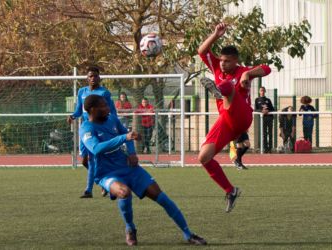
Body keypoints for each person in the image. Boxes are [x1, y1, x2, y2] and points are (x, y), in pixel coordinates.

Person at [80, 95, 206, 246]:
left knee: (161, 197)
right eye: (104, 106)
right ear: (93, 110)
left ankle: (188, 234)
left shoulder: (112, 119)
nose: (108, 108)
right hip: (107, 174)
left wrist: (132, 152)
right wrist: (123, 138)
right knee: (124, 192)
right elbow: (96, 148)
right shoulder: (86, 128)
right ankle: (130, 228)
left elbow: (129, 134)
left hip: (130, 168)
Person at [197, 22, 271, 212]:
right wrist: (215, 35)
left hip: (242, 116)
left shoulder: (240, 71)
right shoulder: (216, 68)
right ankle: (231, 190)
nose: (222, 63)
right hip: (227, 120)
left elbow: (266, 68)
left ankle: (218, 90)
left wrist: (248, 73)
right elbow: (201, 50)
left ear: (236, 61)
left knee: (229, 86)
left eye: (227, 61)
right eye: (221, 60)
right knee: (203, 157)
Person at [67, 66, 117, 198]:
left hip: (98, 129)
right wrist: (72, 116)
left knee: (91, 160)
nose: (93, 78)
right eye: (90, 76)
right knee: (84, 161)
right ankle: (103, 182)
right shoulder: (82, 91)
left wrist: (114, 125)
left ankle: (88, 190)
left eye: (95, 76)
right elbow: (79, 110)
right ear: (87, 78)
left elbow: (112, 111)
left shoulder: (104, 93)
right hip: (85, 129)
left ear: (99, 77)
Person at [255, 87, 275, 153]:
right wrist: (261, 111)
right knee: (264, 133)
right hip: (262, 118)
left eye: (263, 90)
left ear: (265, 91)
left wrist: (267, 110)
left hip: (269, 118)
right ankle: (265, 148)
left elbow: (273, 109)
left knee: (270, 133)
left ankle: (270, 148)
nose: (262, 92)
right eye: (261, 90)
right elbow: (255, 109)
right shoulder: (257, 100)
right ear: (259, 92)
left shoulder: (268, 100)